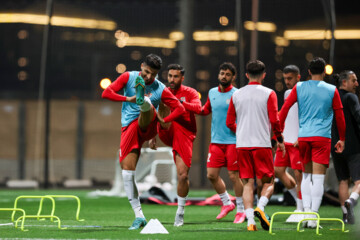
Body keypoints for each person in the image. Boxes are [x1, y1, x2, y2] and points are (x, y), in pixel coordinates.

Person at [101, 54, 185, 230]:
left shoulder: (160, 88)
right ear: (141, 67)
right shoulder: (128, 77)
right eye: (146, 73)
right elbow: (106, 93)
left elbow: (180, 108)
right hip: (129, 129)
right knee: (127, 173)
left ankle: (144, 101)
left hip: (148, 123)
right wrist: (128, 99)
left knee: (146, 105)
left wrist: (164, 120)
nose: (149, 77)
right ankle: (139, 216)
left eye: (153, 75)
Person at [279, 57, 346, 228]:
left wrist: (278, 134)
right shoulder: (332, 89)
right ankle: (313, 218)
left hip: (303, 138)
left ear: (308, 72)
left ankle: (307, 213)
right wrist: (342, 139)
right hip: (322, 138)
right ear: (324, 72)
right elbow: (340, 117)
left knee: (306, 177)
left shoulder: (299, 87)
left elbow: (284, 110)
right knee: (317, 179)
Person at [226, 60, 285, 231]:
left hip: (242, 145)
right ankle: (261, 207)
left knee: (247, 184)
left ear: (246, 75)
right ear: (264, 75)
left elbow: (230, 122)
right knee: (269, 182)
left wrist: (242, 130)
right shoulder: (269, 93)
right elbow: (275, 120)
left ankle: (251, 221)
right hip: (262, 144)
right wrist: (279, 140)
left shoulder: (236, 94)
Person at [151, 64, 201, 227]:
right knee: (157, 102)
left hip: (183, 132)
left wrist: (179, 103)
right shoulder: (163, 90)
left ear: (182, 78)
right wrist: (152, 134)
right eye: (170, 76)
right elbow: (155, 111)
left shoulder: (190, 92)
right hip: (166, 128)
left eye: (176, 76)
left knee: (183, 175)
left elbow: (198, 108)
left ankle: (180, 211)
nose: (172, 79)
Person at [199, 62, 246, 224]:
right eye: (222, 73)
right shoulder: (212, 92)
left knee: (234, 176)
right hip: (216, 142)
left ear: (233, 77)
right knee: (211, 175)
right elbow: (205, 110)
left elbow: (245, 117)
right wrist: (186, 106)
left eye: (227, 74)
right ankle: (227, 203)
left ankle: (241, 210)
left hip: (233, 142)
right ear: (218, 75)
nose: (223, 76)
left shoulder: (238, 94)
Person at [274, 65, 304, 222]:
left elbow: (306, 116)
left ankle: (301, 209)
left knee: (299, 176)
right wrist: (279, 137)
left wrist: (302, 136)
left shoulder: (304, 92)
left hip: (298, 142)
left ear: (298, 77)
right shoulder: (287, 93)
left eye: (289, 78)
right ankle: (298, 201)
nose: (286, 81)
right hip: (285, 140)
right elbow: (286, 115)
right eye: (285, 78)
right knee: (278, 170)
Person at [331, 70, 360, 224]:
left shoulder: (332, 97)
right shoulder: (351, 97)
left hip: (335, 146)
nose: (357, 84)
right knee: (358, 182)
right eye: (354, 80)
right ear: (344, 82)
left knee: (343, 181)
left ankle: (345, 215)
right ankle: (351, 201)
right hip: (353, 146)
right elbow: (358, 116)